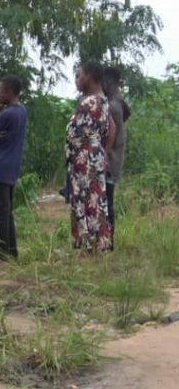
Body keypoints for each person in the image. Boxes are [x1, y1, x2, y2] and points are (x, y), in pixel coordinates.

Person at [67, 61, 113, 253]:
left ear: (90, 78)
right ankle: (95, 244)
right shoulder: (103, 100)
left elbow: (74, 132)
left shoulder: (90, 102)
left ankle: (88, 245)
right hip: (93, 154)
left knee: (86, 199)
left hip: (85, 157)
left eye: (79, 76)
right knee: (95, 198)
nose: (77, 80)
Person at [0, 75, 28, 261]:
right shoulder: (21, 111)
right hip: (12, 167)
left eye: (0, 90)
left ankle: (3, 255)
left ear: (9, 93)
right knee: (7, 211)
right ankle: (12, 252)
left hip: (0, 166)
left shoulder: (6, 114)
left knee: (2, 212)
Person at [102, 66, 130, 249]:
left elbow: (110, 134)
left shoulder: (112, 106)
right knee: (108, 202)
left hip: (110, 161)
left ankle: (109, 243)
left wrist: (105, 153)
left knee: (107, 203)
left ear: (109, 82)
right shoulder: (119, 103)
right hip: (114, 159)